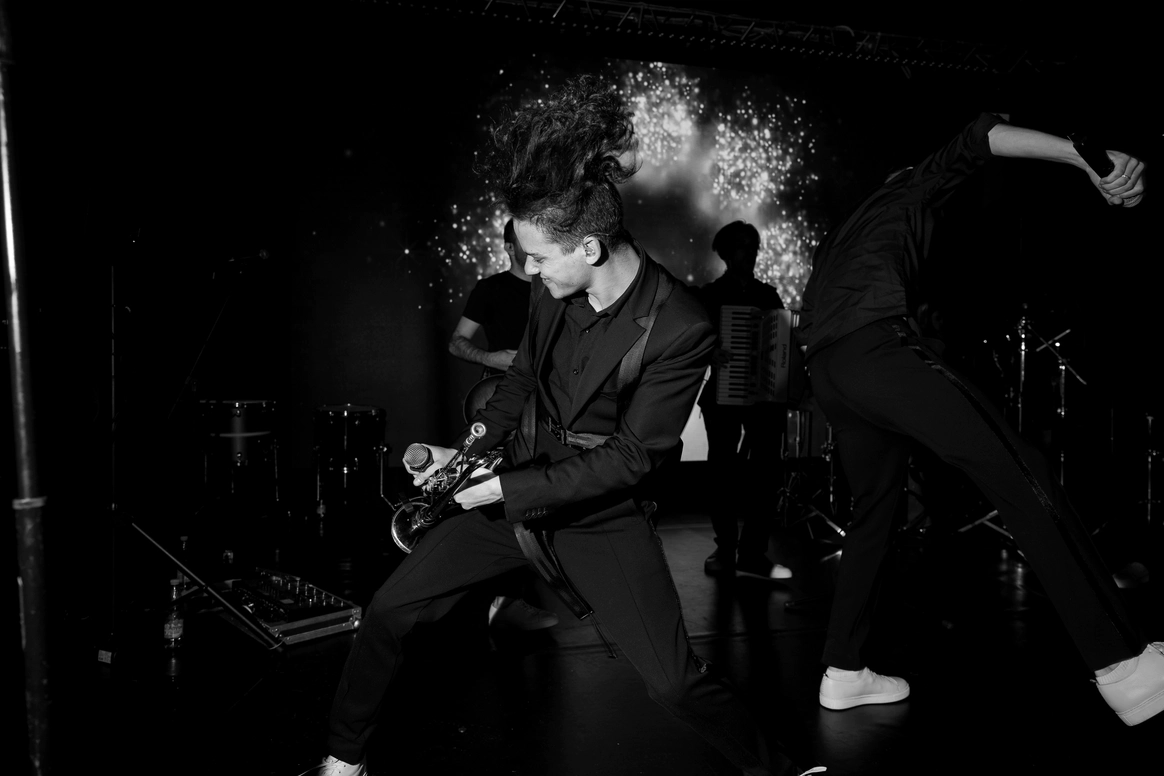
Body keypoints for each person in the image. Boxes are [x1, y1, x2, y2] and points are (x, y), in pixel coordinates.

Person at [317, 76, 824, 776]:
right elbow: (519, 383)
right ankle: (343, 760)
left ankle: (784, 770)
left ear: (587, 247)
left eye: (537, 257)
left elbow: (634, 458)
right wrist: (463, 457)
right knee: (388, 610)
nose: (527, 269)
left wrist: (504, 491)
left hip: (599, 516)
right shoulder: (552, 288)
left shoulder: (681, 326)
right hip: (514, 483)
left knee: (674, 683)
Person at [796, 111, 1161, 724]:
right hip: (875, 348)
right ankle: (1125, 665)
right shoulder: (909, 184)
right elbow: (981, 137)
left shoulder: (845, 232)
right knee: (1021, 469)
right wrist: (1088, 159)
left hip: (829, 370)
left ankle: (845, 669)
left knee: (873, 515)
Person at [447, 218, 559, 632]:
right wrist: (490, 358)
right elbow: (456, 341)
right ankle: (502, 598)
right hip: (502, 399)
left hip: (546, 403)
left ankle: (518, 594)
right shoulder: (490, 289)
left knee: (534, 491)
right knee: (501, 492)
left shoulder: (553, 285)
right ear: (510, 246)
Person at [697, 221, 792, 580]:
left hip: (765, 399)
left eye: (753, 246)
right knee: (722, 473)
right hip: (722, 396)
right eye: (741, 246)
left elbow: (782, 345)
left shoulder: (769, 295)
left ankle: (753, 553)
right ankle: (725, 549)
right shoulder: (710, 295)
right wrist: (709, 351)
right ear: (725, 253)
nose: (749, 253)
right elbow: (690, 339)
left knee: (766, 473)